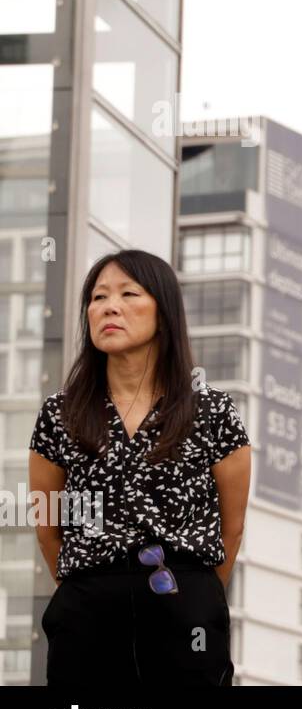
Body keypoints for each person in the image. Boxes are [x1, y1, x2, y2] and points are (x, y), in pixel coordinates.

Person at [28, 249, 251, 686]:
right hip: (87, 610)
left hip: (184, 605)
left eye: (129, 293)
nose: (109, 306)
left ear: (163, 313)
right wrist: (97, 585)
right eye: (98, 297)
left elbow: (233, 528)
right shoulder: (61, 414)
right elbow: (47, 526)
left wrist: (191, 595)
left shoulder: (212, 411)